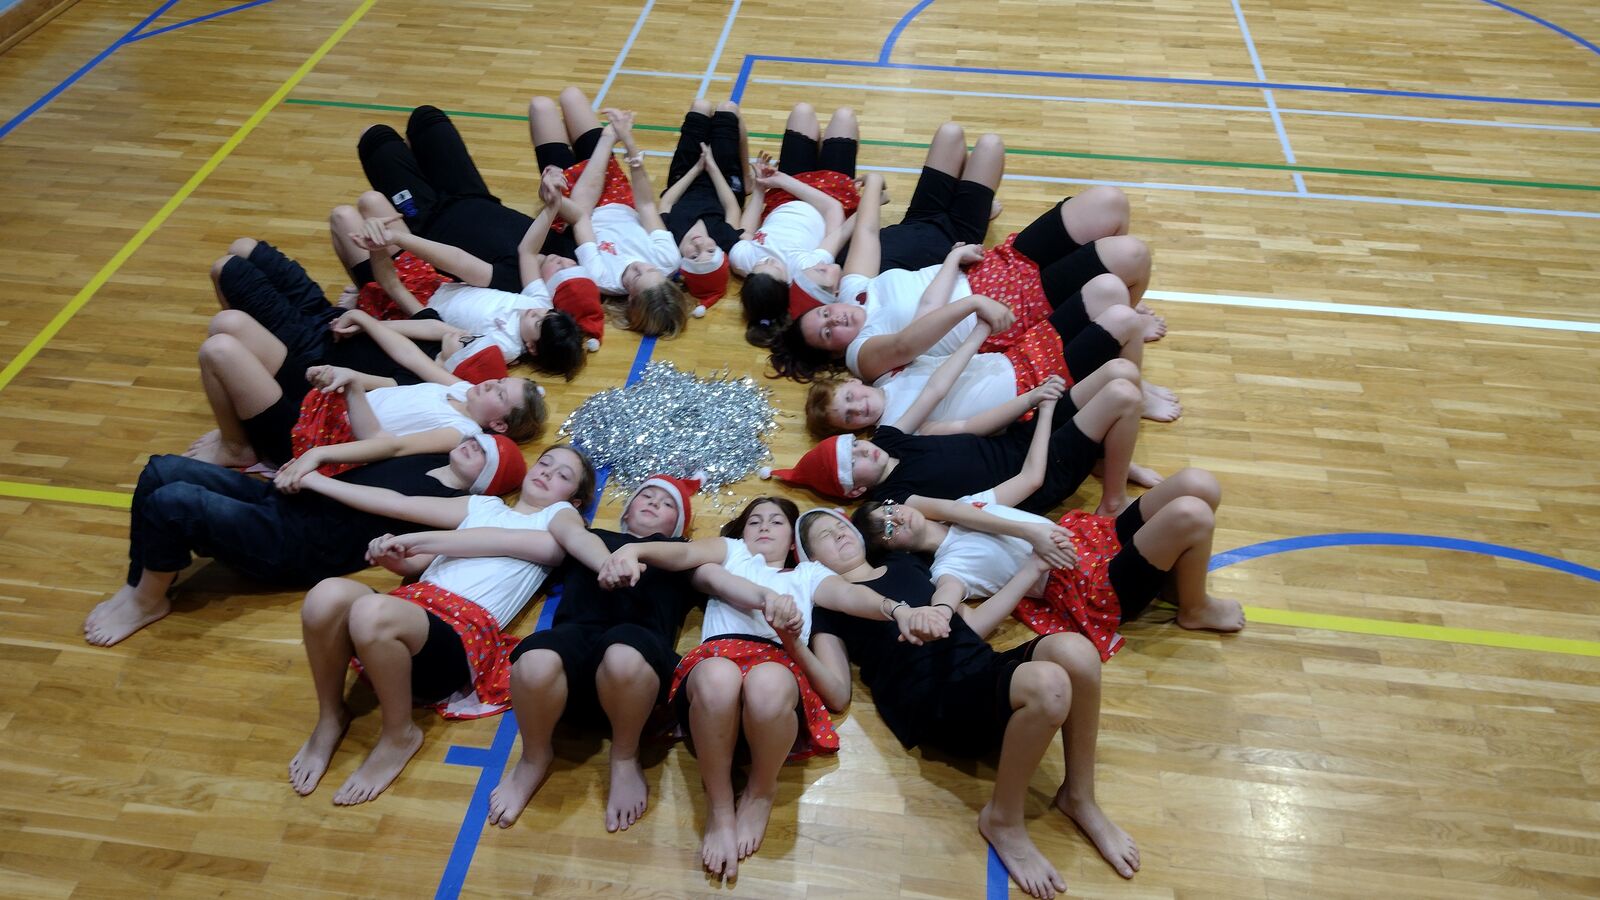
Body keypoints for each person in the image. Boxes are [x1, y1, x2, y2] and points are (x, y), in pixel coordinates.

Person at [794, 508, 1137, 900]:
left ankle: (1079, 796)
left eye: (840, 525)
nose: (839, 532)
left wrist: (1031, 567)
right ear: (812, 559)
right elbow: (838, 692)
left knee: (1079, 653)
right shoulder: (828, 608)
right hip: (934, 701)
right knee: (1049, 686)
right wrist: (792, 641)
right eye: (824, 535)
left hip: (979, 668)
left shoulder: (904, 563)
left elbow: (971, 626)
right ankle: (1002, 820)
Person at [591, 497, 938, 881]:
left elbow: (851, 596)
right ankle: (720, 807)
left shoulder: (809, 574)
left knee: (767, 682)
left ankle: (760, 790)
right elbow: (682, 554)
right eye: (755, 521)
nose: (764, 527)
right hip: (716, 661)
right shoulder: (734, 552)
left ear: (792, 540)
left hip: (777, 668)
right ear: (744, 532)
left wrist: (898, 610)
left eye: (776, 521)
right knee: (718, 676)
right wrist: (634, 549)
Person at [286, 445, 596, 805]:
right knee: (324, 596)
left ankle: (399, 734)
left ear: (574, 501)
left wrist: (421, 539)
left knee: (372, 612)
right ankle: (330, 716)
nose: (547, 473)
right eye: (544, 463)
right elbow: (402, 513)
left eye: (563, 475)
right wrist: (392, 556)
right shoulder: (484, 506)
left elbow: (497, 540)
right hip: (412, 608)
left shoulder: (556, 520)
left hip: (457, 635)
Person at [81, 433, 526, 647]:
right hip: (287, 505)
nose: (475, 444)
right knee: (161, 469)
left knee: (175, 502)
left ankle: (149, 601)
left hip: (297, 545)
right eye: (479, 440)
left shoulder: (452, 504)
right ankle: (140, 581)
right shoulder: (431, 455)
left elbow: (392, 502)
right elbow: (383, 446)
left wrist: (314, 480)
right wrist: (314, 459)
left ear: (487, 481)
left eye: (485, 455)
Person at [480, 475, 707, 833]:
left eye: (667, 504)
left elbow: (712, 566)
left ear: (677, 527)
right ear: (626, 511)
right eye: (646, 495)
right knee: (535, 660)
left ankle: (625, 755)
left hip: (638, 662)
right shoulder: (592, 538)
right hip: (573, 649)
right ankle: (534, 757)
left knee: (623, 654)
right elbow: (527, 540)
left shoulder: (677, 553)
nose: (654, 503)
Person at [769, 190, 1165, 387]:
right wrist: (968, 288)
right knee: (1132, 256)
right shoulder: (861, 355)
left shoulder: (852, 291)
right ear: (833, 352)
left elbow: (869, 233)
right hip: (1013, 310)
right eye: (827, 333)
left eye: (824, 314)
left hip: (998, 264)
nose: (834, 319)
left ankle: (1120, 326)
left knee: (1110, 202)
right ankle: (1122, 364)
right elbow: (906, 344)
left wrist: (872, 186)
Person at [854, 464, 1247, 662]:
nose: (896, 518)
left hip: (1097, 539)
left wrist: (1042, 408)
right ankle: (1194, 608)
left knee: (1197, 483)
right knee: (1190, 513)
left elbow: (1028, 478)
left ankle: (1174, 584)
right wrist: (937, 615)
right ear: (895, 551)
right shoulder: (948, 568)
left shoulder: (964, 506)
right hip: (1095, 585)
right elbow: (963, 617)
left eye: (889, 509)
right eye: (886, 529)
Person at [741, 120, 1006, 345]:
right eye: (820, 272)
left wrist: (875, 192)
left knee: (950, 132)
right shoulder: (858, 288)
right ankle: (978, 204)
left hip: (921, 215)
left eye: (814, 268)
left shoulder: (842, 267)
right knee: (990, 145)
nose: (820, 264)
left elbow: (865, 229)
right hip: (959, 233)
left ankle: (977, 201)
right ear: (833, 292)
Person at [766, 361, 1145, 514]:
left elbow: (966, 422)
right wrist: (1046, 412)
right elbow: (1022, 484)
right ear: (856, 491)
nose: (864, 450)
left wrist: (1032, 399)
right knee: (1122, 395)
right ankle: (1113, 501)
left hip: (1022, 438)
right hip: (1039, 473)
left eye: (854, 445)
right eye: (854, 463)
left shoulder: (888, 440)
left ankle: (1107, 459)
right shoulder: (896, 498)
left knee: (1119, 370)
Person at [358, 105, 572, 292]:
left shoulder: (515, 282)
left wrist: (399, 238)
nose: (563, 265)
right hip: (471, 192)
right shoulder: (568, 252)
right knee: (426, 118)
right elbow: (577, 215)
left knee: (375, 139)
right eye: (571, 268)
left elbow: (458, 260)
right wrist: (552, 186)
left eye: (559, 275)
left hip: (426, 219)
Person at [530, 90, 691, 337]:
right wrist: (628, 142)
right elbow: (646, 205)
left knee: (540, 106)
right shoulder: (668, 260)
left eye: (636, 276)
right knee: (572, 96)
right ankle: (604, 140)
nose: (639, 266)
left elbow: (581, 216)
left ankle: (602, 141)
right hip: (615, 192)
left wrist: (553, 198)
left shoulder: (603, 278)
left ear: (630, 298)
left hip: (578, 202)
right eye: (651, 270)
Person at [733, 103, 860, 331]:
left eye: (760, 264)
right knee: (845, 116)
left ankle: (817, 155)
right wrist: (783, 180)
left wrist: (760, 188)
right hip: (829, 195)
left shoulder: (742, 260)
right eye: (774, 266)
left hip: (783, 195)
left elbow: (747, 230)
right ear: (788, 284)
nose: (766, 260)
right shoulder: (806, 269)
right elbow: (833, 211)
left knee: (802, 111)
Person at [657, 99, 748, 317]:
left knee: (700, 107)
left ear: (682, 262)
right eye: (710, 251)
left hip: (685, 177)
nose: (700, 245)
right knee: (728, 109)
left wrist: (697, 169)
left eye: (694, 256)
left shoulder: (671, 239)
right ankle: (747, 176)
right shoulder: (724, 239)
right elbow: (731, 207)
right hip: (723, 181)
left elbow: (667, 202)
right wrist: (712, 167)